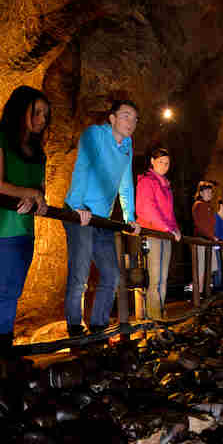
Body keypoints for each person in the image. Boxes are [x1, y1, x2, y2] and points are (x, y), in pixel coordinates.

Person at [0, 86, 50, 361]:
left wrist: (36, 200)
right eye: (37, 112)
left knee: (13, 289)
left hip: (22, 229)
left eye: (45, 114)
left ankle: (3, 347)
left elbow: (39, 190)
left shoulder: (38, 153)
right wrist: (29, 194)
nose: (42, 119)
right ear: (20, 110)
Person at [63, 100, 142, 337]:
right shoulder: (94, 135)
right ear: (112, 118)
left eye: (135, 119)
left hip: (102, 219)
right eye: (126, 115)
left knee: (112, 274)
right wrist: (77, 207)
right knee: (80, 274)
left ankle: (98, 326)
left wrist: (130, 216)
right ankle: (75, 328)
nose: (131, 122)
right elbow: (82, 167)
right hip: (81, 211)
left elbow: (125, 184)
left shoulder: (127, 145)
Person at [136, 148, 180, 319]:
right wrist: (167, 229)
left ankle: (159, 312)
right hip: (153, 233)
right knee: (155, 277)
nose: (164, 165)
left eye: (167, 163)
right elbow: (148, 208)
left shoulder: (166, 186)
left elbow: (169, 213)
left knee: (163, 276)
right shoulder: (147, 182)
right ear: (152, 162)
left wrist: (175, 228)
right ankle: (154, 316)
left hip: (165, 234)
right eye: (161, 162)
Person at [191, 180, 216, 298]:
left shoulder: (209, 206)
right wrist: (212, 236)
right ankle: (199, 293)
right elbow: (200, 225)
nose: (210, 193)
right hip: (201, 240)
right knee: (201, 266)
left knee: (209, 266)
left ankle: (206, 291)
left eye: (211, 191)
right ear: (201, 193)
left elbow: (211, 225)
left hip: (208, 240)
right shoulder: (199, 205)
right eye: (207, 191)